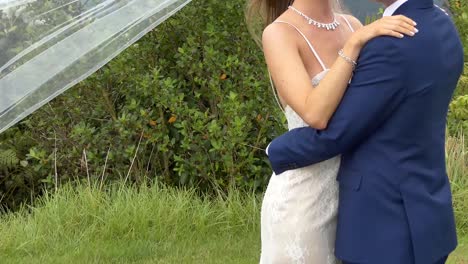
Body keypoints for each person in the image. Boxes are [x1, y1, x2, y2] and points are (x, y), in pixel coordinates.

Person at [263, 0, 464, 263]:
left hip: (367, 206)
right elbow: (316, 115)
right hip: (308, 196)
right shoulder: (438, 21)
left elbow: (351, 123)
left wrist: (274, 149)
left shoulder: (361, 28)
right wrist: (353, 44)